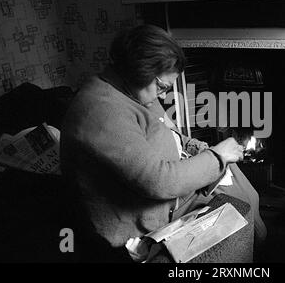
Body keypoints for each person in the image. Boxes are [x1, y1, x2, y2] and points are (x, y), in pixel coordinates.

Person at [60, 24, 266, 262]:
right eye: (162, 86)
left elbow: (174, 134)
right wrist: (217, 157)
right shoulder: (101, 111)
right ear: (140, 70)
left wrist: (203, 149)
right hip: (153, 208)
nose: (165, 95)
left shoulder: (135, 91)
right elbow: (159, 180)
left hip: (177, 183)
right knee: (243, 207)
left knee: (251, 197)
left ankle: (256, 250)